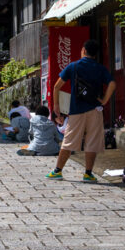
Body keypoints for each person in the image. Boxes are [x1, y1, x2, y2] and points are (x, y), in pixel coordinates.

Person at [48, 38, 115, 183]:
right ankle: (88, 173)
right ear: (95, 54)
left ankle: (57, 171)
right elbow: (112, 84)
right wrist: (104, 100)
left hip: (77, 109)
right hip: (95, 109)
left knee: (69, 140)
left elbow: (56, 86)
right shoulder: (100, 68)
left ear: (83, 50)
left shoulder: (73, 66)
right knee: (92, 141)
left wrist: (56, 106)